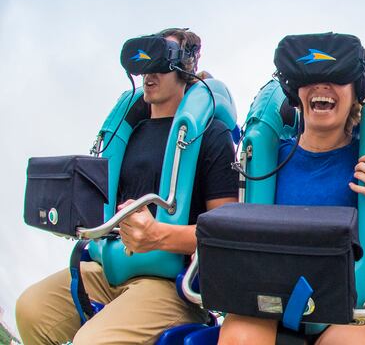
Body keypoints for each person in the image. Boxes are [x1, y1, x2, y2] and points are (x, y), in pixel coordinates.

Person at [16, 28, 239, 345]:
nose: (149, 73)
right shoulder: (128, 132)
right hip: (107, 268)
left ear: (185, 66)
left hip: (167, 283)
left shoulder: (210, 136)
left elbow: (227, 234)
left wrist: (158, 235)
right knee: (31, 309)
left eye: (160, 62)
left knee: (91, 342)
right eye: (144, 64)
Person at [217, 32, 365, 345]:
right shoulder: (269, 163)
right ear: (294, 91)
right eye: (309, 78)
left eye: (337, 78)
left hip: (349, 310)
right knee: (239, 335)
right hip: (271, 302)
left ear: (356, 92)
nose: (322, 87)